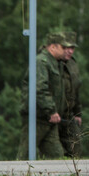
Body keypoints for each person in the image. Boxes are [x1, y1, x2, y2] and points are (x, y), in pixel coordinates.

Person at [23, 31, 68, 159]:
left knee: (57, 156)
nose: (66, 50)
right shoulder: (41, 62)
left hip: (49, 118)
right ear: (52, 47)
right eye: (63, 47)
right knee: (26, 154)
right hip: (37, 117)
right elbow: (39, 88)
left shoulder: (55, 63)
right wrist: (51, 110)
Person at [59, 32, 83, 158]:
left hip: (68, 115)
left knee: (76, 147)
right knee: (55, 152)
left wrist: (78, 113)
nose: (69, 51)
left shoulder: (73, 64)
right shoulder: (52, 63)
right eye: (66, 47)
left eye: (72, 48)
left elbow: (76, 90)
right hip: (54, 114)